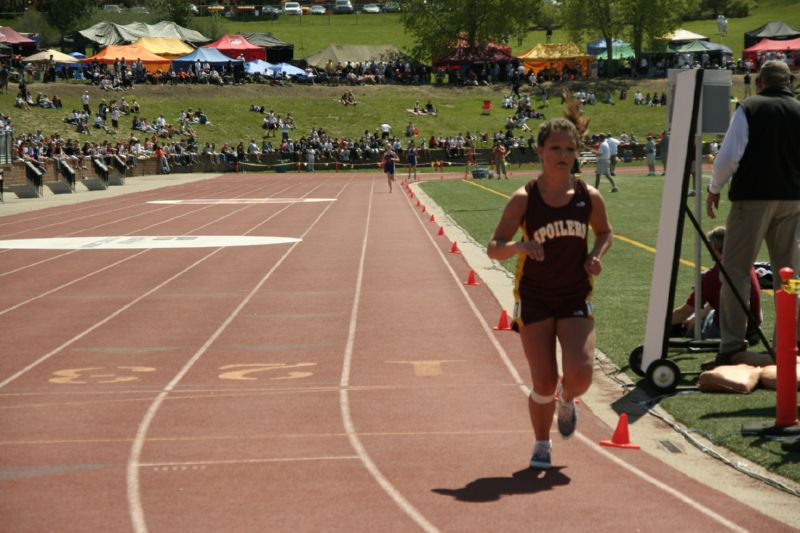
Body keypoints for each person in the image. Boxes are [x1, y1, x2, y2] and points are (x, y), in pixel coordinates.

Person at [487, 118, 613, 470]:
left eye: (570, 148)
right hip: (536, 296)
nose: (563, 154)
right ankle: (542, 443)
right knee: (542, 380)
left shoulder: (590, 197)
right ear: (540, 151)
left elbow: (604, 233)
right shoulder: (524, 198)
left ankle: (568, 399)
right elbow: (493, 248)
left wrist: (596, 256)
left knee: (581, 375)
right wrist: (518, 246)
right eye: (555, 148)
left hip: (574, 293)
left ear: (578, 153)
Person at [705, 60, 800, 366]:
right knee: (790, 275)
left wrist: (715, 188)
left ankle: (732, 344)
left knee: (735, 271)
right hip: (792, 199)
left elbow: (729, 156)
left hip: (753, 197)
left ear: (760, 82)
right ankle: (787, 341)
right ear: (789, 83)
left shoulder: (750, 107)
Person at [671, 226, 762, 342]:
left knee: (682, 327)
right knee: (705, 315)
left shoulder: (714, 276)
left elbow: (682, 314)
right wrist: (696, 316)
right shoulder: (746, 264)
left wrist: (661, 324)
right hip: (754, 329)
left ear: (713, 247)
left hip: (730, 333)